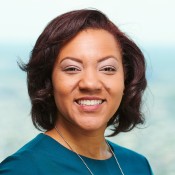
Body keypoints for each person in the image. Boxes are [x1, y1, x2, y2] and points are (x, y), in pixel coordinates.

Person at [0, 9, 153, 175]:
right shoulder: (21, 169)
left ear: (126, 80)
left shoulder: (138, 166)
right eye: (72, 68)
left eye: (107, 68)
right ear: (48, 82)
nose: (90, 83)